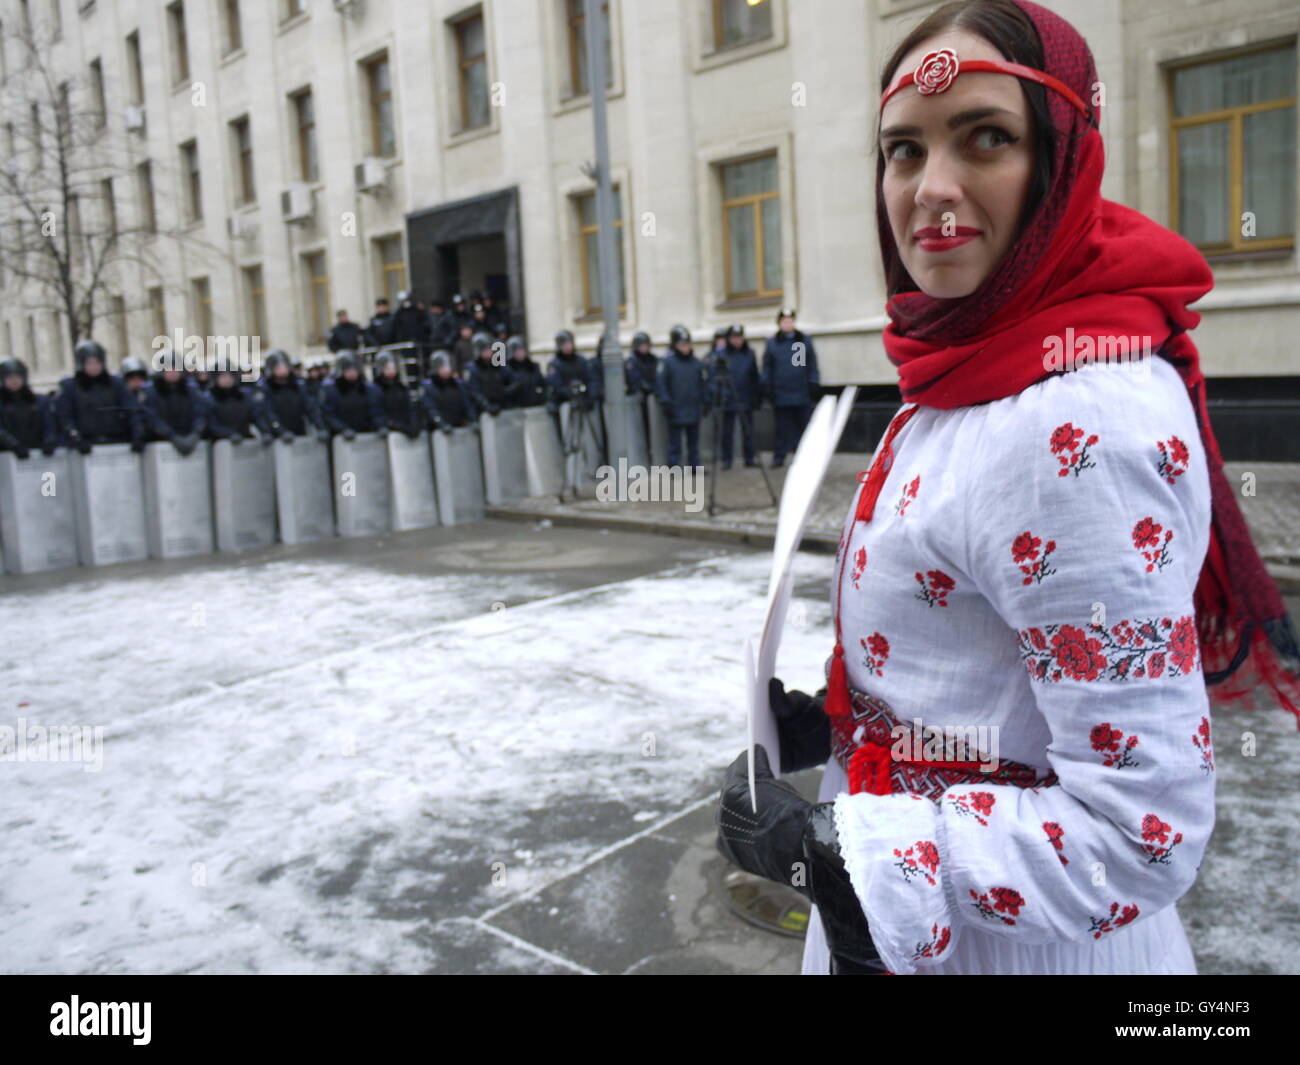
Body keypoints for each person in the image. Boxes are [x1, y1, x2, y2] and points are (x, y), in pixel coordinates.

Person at [716, 0, 1300, 978]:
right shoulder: (971, 363)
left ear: (1060, 158)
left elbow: (1137, 832)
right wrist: (854, 719)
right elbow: (995, 661)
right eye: (903, 151)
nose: (932, 189)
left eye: (984, 137)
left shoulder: (1071, 422)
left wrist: (835, 848)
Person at [55, 340, 144, 452]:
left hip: (116, 442)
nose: (94, 367)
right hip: (86, 445)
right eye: (89, 363)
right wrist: (75, 437)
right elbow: (65, 416)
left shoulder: (116, 384)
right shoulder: (71, 387)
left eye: (97, 362)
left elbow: (131, 410)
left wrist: (138, 434)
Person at [761, 308, 819, 467]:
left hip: (800, 393)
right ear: (779, 323)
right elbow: (768, 368)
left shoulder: (801, 341)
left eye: (790, 321)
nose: (788, 324)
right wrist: (768, 388)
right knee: (781, 429)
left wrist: (813, 382)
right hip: (781, 394)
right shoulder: (773, 343)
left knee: (803, 428)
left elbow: (806, 365)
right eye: (784, 321)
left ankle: (803, 458)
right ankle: (779, 457)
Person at [655, 324, 709, 468]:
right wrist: (666, 402)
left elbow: (703, 383)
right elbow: (661, 384)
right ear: (675, 345)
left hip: (692, 408)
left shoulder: (697, 363)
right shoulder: (667, 363)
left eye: (687, 344)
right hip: (675, 408)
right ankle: (674, 466)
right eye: (682, 345)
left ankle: (694, 466)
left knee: (694, 442)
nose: (685, 348)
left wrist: (706, 401)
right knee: (675, 442)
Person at [711, 324, 761, 469]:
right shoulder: (722, 354)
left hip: (746, 397)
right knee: (727, 432)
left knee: (748, 431)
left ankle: (749, 458)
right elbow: (716, 376)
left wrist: (756, 396)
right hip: (728, 398)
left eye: (739, 337)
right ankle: (727, 460)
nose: (737, 340)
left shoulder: (749, 353)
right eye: (734, 338)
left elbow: (754, 376)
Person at [255, 349, 328, 442]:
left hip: (298, 432)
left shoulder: (297, 386)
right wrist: (281, 431)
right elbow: (268, 413)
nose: (282, 370)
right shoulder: (266, 389)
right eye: (278, 367)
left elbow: (310, 408)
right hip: (277, 437)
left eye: (284, 366)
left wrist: (320, 427)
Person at [139, 366, 208, 455]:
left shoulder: (191, 390)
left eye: (176, 369)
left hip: (188, 438)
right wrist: (172, 436)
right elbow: (152, 418)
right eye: (169, 369)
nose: (173, 372)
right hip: (161, 443)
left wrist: (195, 434)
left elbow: (200, 413)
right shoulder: (153, 392)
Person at [0, 356, 58, 459]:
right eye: (9, 377)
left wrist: (49, 442)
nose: (14, 381)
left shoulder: (39, 401)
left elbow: (49, 424)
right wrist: (14, 445)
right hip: (7, 456)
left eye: (17, 377)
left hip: (37, 454)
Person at [320, 352, 380, 439]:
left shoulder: (366, 388)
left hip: (365, 434)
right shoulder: (331, 389)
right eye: (348, 369)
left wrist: (379, 425)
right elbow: (328, 414)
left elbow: (374, 410)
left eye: (354, 369)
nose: (352, 372)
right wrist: (343, 429)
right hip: (341, 437)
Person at [371, 351, 426, 439]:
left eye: (393, 367)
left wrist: (414, 425)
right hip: (392, 434)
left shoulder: (401, 387)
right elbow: (378, 414)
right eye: (388, 368)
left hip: (406, 430)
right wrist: (399, 427)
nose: (392, 370)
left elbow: (410, 408)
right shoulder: (376, 390)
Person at [420, 351, 478, 432]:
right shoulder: (429, 387)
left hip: (459, 427)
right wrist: (441, 424)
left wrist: (473, 420)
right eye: (442, 367)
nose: (446, 370)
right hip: (439, 431)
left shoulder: (458, 384)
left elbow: (467, 404)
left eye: (448, 366)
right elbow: (431, 409)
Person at [206, 367, 263, 444]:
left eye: (229, 376)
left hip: (244, 440)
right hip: (220, 443)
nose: (227, 379)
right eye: (223, 376)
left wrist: (265, 431)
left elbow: (256, 416)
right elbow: (211, 423)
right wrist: (229, 434)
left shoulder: (243, 397)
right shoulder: (210, 398)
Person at [465, 332, 514, 416]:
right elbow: (474, 391)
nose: (488, 353)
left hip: (501, 406)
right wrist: (487, 405)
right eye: (485, 350)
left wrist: (507, 391)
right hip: (482, 411)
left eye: (489, 349)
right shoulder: (473, 368)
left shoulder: (497, 364)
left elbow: (510, 377)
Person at [504, 336, 546, 408]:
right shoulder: (506, 369)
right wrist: (516, 385)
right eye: (517, 351)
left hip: (534, 406)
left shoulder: (533, 367)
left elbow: (543, 384)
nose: (520, 353)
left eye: (522, 350)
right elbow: (503, 392)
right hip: (515, 409)